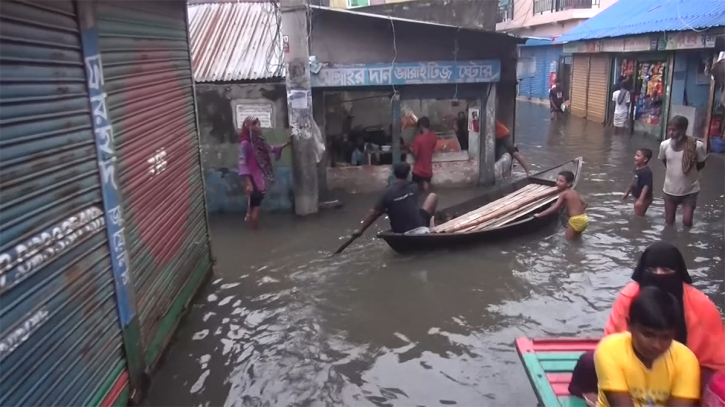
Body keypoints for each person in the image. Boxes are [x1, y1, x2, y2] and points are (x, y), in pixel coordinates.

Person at [569, 242, 725, 405]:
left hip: (687, 369)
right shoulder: (629, 298)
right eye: (652, 270)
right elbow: (614, 340)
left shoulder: (700, 306)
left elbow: (717, 357)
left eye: (666, 270)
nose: (659, 275)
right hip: (631, 363)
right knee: (589, 361)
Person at [594, 286, 701, 407]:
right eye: (648, 335)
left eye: (665, 337)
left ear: (674, 334)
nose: (657, 345)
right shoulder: (610, 350)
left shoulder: (686, 360)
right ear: (629, 326)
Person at [352, 162, 438, 237]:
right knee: (432, 196)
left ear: (394, 174)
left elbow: (374, 213)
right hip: (420, 227)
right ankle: (431, 225)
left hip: (400, 232)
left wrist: (360, 230)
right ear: (408, 174)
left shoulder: (387, 193)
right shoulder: (414, 187)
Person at [238, 116, 291, 229]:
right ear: (250, 127)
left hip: (258, 178)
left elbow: (270, 148)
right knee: (255, 207)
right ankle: (255, 235)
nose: (259, 127)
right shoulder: (245, 144)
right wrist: (248, 182)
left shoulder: (258, 142)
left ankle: (254, 233)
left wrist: (286, 144)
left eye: (259, 124)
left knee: (254, 206)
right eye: (257, 124)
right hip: (252, 180)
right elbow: (242, 162)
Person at [659, 116, 707, 227]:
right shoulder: (664, 145)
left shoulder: (696, 146)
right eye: (669, 129)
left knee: (687, 221)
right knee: (669, 222)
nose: (671, 133)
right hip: (670, 190)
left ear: (684, 129)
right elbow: (665, 162)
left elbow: (701, 164)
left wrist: (688, 171)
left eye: (674, 130)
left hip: (690, 191)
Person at [534, 170, 588, 239]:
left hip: (575, 220)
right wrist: (577, 213)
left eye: (561, 181)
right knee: (577, 239)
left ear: (569, 183)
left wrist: (539, 215)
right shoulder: (574, 192)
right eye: (557, 180)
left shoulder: (564, 194)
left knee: (567, 241)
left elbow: (555, 207)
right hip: (584, 219)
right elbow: (585, 204)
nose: (558, 183)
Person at [409, 117, 437, 193]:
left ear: (421, 126)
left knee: (413, 191)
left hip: (418, 170)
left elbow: (415, 155)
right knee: (426, 190)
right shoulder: (433, 137)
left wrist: (410, 149)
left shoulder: (418, 139)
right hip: (428, 170)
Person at [621, 148, 653, 216]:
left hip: (645, 198)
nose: (635, 157)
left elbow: (646, 186)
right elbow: (633, 180)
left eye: (638, 156)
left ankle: (640, 225)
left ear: (645, 159)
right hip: (638, 196)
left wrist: (641, 200)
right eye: (635, 155)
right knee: (637, 211)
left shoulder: (646, 172)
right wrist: (627, 192)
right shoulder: (637, 169)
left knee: (638, 215)